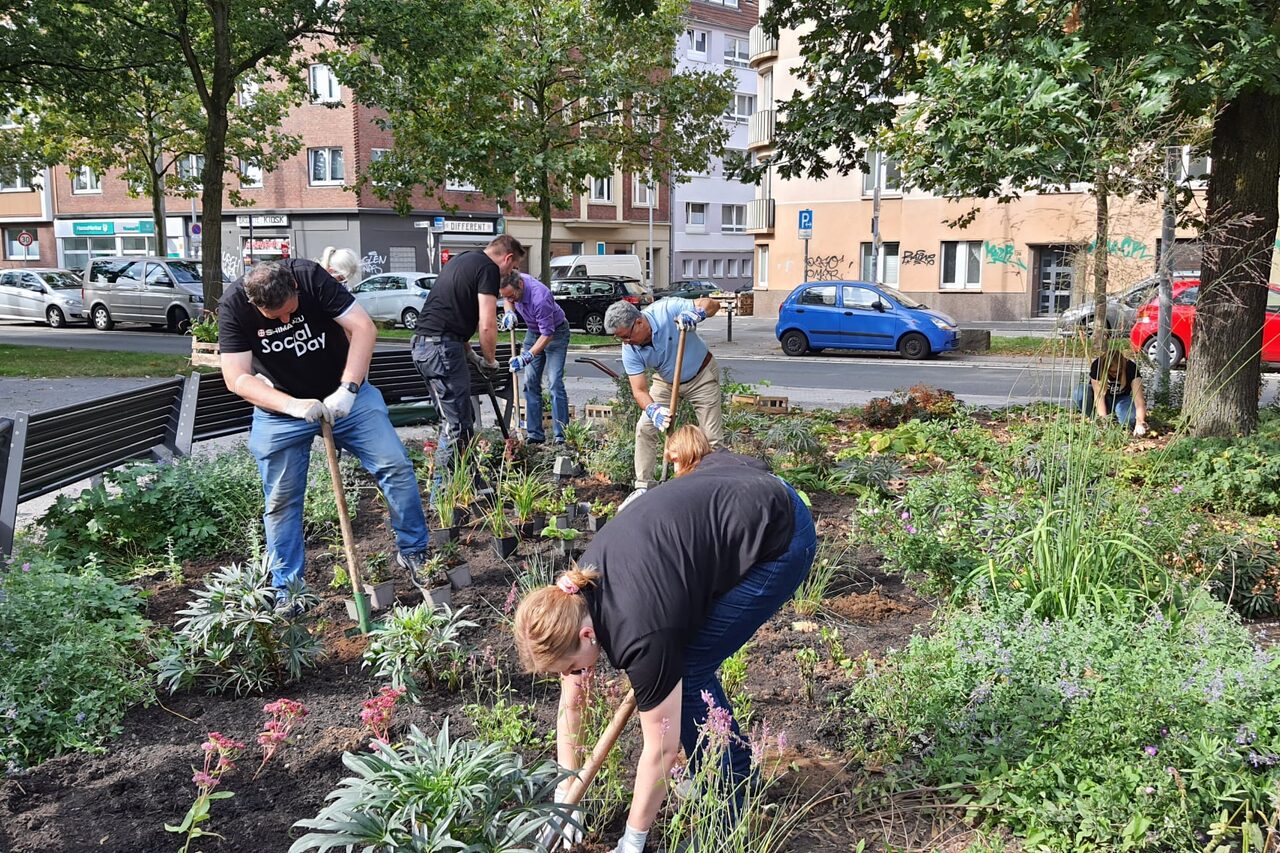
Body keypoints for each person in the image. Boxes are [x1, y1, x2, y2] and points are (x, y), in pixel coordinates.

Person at [514, 450, 816, 853]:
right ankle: (731, 769)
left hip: (779, 532)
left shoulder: (643, 635)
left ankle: (732, 795)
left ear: (587, 636)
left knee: (688, 670)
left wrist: (632, 840)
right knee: (680, 664)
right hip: (731, 492)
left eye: (568, 668)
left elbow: (661, 748)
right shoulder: (575, 593)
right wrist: (566, 793)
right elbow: (573, 705)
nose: (571, 677)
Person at [218, 259, 431, 607]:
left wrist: (348, 388)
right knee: (281, 501)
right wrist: (293, 406)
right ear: (255, 305)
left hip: (345, 396)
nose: (286, 321)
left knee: (396, 466)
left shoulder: (310, 277)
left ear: (295, 289)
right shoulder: (233, 305)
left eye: (290, 311)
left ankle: (414, 552)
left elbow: (364, 328)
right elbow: (236, 378)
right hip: (281, 412)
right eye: (276, 318)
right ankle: (288, 590)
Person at [411, 235, 526, 490]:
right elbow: (487, 324)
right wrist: (490, 360)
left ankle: (469, 485)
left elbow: (451, 313)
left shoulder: (463, 260)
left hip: (426, 346)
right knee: (457, 425)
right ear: (507, 258)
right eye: (514, 266)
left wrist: (470, 353)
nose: (512, 272)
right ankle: (441, 495)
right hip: (441, 350)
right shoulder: (488, 269)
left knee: (459, 420)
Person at [603, 295, 723, 499]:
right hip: (666, 381)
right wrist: (653, 410)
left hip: (701, 375)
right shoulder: (629, 349)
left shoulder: (667, 310)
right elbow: (640, 390)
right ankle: (643, 487)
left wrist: (697, 312)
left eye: (626, 336)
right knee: (645, 428)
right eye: (620, 338)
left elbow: (712, 304)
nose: (625, 342)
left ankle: (714, 487)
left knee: (712, 437)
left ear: (639, 322)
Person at [499, 270, 570, 444]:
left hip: (555, 333)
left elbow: (548, 334)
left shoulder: (540, 297)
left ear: (521, 285)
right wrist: (510, 313)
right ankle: (535, 434)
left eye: (512, 296)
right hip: (533, 332)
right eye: (506, 297)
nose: (511, 300)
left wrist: (527, 356)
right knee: (530, 382)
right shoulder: (512, 286)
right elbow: (508, 301)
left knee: (554, 382)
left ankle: (562, 435)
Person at [1073, 350, 1149, 435]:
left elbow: (1139, 401)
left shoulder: (1131, 368)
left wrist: (1140, 422)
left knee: (1129, 419)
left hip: (1121, 399)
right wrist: (1103, 421)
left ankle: (1116, 420)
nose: (1115, 374)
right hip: (1102, 399)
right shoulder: (1097, 365)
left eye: (1118, 371)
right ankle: (1096, 419)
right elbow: (1099, 397)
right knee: (1080, 393)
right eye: (1112, 372)